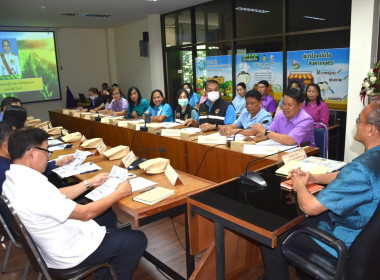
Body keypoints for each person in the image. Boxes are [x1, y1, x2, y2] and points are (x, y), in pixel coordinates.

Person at [3, 127, 147, 279]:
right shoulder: (33, 188)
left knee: (107, 216)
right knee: (137, 240)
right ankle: (107, 274)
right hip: (69, 254)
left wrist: (88, 183)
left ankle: (104, 268)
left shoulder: (13, 179)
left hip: (55, 244)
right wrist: (119, 193)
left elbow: (56, 195)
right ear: (32, 152)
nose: (48, 157)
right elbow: (86, 214)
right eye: (46, 151)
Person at [260, 101, 380, 280]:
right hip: (369, 244)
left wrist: (299, 185)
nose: (355, 124)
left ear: (371, 129)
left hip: (346, 241)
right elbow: (345, 175)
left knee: (271, 237)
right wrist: (314, 178)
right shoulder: (372, 160)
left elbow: (310, 206)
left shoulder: (362, 168)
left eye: (359, 120)